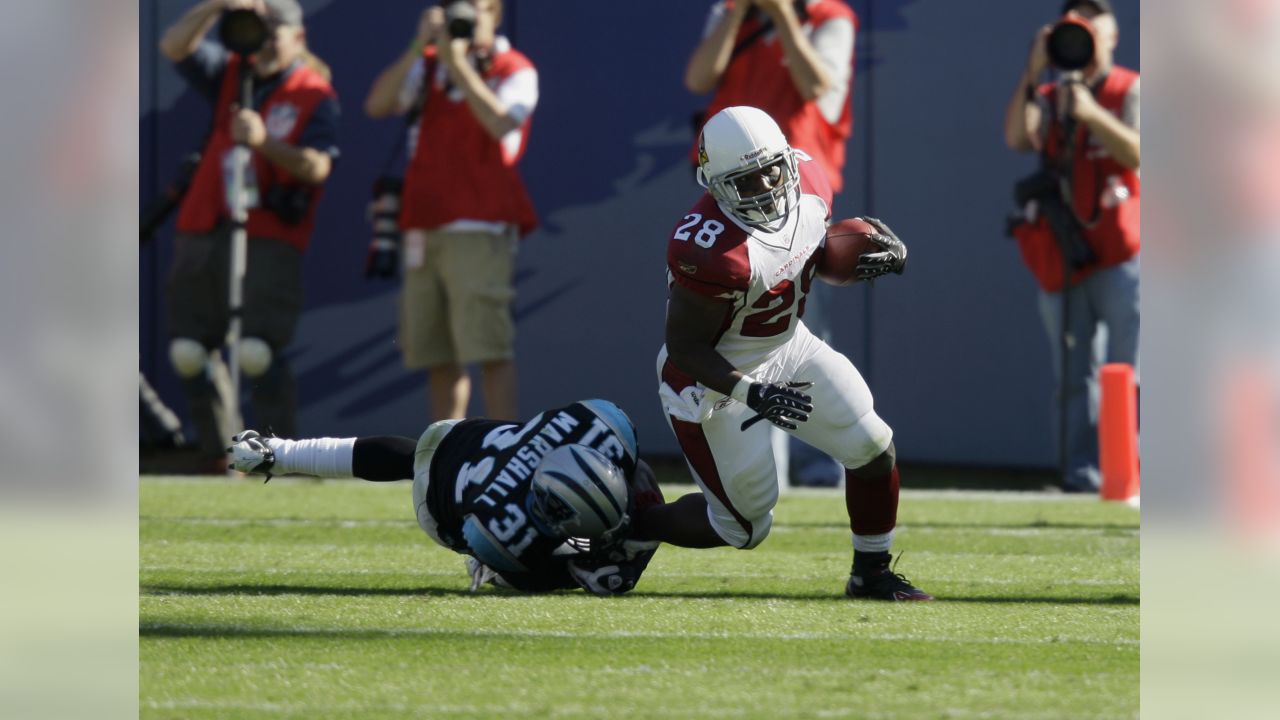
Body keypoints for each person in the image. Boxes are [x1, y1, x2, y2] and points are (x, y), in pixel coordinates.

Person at [635, 106, 931, 601]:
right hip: (713, 379)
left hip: (786, 345)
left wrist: (866, 252)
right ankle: (633, 526)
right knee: (744, 528)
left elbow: (809, 261)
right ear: (714, 184)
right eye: (746, 182)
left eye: (773, 169)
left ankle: (871, 574)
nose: (768, 187)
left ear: (788, 158)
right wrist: (752, 392)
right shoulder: (710, 247)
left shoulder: (813, 180)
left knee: (873, 446)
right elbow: (686, 347)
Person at [227, 399, 662, 596]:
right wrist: (581, 569)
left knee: (636, 472)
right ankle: (279, 454)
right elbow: (524, 560)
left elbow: (633, 469)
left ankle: (278, 453)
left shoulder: (598, 426)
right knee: (529, 577)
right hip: (444, 508)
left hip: (470, 434)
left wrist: (636, 538)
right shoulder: (498, 527)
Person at [159, 0, 340, 471]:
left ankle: (283, 460)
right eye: (259, 33)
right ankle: (223, 459)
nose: (263, 45)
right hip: (204, 224)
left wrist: (263, 142)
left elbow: (318, 166)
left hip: (269, 232)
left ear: (298, 38)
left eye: (273, 34)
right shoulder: (233, 74)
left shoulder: (313, 92)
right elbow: (173, 46)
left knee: (257, 353)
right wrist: (218, 6)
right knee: (188, 351)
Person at [685, 0, 858, 487]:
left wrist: (783, 14)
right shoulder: (733, 12)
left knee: (798, 329)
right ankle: (761, 468)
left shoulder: (830, 17)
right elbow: (700, 78)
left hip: (793, 193)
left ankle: (820, 463)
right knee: (735, 332)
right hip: (731, 196)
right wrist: (738, 14)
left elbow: (817, 85)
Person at [364, 0, 537, 424]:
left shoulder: (515, 67)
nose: (465, 18)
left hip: (480, 224)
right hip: (423, 223)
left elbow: (502, 123)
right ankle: (445, 452)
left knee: (489, 348)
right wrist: (418, 45)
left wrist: (456, 63)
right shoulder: (427, 64)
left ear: (494, 14)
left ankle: (505, 449)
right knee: (436, 352)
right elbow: (377, 105)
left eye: (475, 8)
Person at [1003, 0, 1140, 493]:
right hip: (1064, 253)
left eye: (1092, 29)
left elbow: (1142, 151)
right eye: (1073, 30)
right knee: (1073, 373)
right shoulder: (1046, 90)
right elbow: (1019, 136)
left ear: (1113, 35)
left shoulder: (1130, 86)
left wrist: (1091, 115)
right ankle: (1082, 476)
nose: (1083, 40)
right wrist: (1034, 68)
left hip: (1124, 250)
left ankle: (1135, 474)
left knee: (1130, 370)